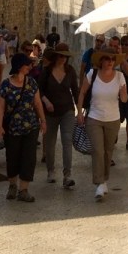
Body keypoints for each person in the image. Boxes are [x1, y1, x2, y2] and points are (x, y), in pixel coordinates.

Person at [76, 47, 128, 201]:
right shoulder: (92, 74)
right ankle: (99, 183)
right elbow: (82, 92)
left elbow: (124, 99)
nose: (110, 62)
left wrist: (124, 94)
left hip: (113, 119)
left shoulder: (120, 76)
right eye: (107, 59)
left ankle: (104, 179)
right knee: (97, 150)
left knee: (108, 151)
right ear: (101, 61)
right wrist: (79, 112)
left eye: (112, 59)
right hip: (94, 118)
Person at [0, 52, 47, 202]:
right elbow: (0, 108)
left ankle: (23, 190)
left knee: (29, 158)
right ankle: (12, 186)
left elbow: (37, 103)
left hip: (31, 126)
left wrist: (43, 121)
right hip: (12, 128)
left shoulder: (31, 82)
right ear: (19, 66)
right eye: (27, 64)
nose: (30, 67)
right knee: (12, 157)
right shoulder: (6, 85)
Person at [38, 42, 78, 189]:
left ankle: (67, 175)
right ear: (56, 56)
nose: (63, 59)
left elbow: (76, 91)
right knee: (50, 143)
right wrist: (46, 102)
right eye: (61, 56)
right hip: (50, 113)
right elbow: (39, 91)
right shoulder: (47, 71)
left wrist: (79, 111)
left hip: (67, 110)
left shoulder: (71, 71)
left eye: (66, 57)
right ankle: (51, 171)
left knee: (67, 140)